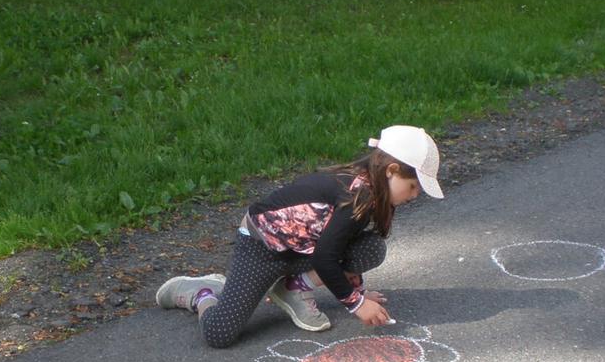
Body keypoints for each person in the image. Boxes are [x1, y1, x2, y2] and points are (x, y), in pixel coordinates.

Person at [155, 125, 444, 348]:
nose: (415, 195)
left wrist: (357, 289)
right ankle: (202, 292)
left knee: (370, 249)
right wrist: (356, 303)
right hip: (262, 248)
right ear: (391, 171)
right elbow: (326, 257)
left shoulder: (370, 194)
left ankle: (295, 287)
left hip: (302, 248)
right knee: (219, 334)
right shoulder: (356, 195)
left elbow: (338, 244)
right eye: (413, 186)